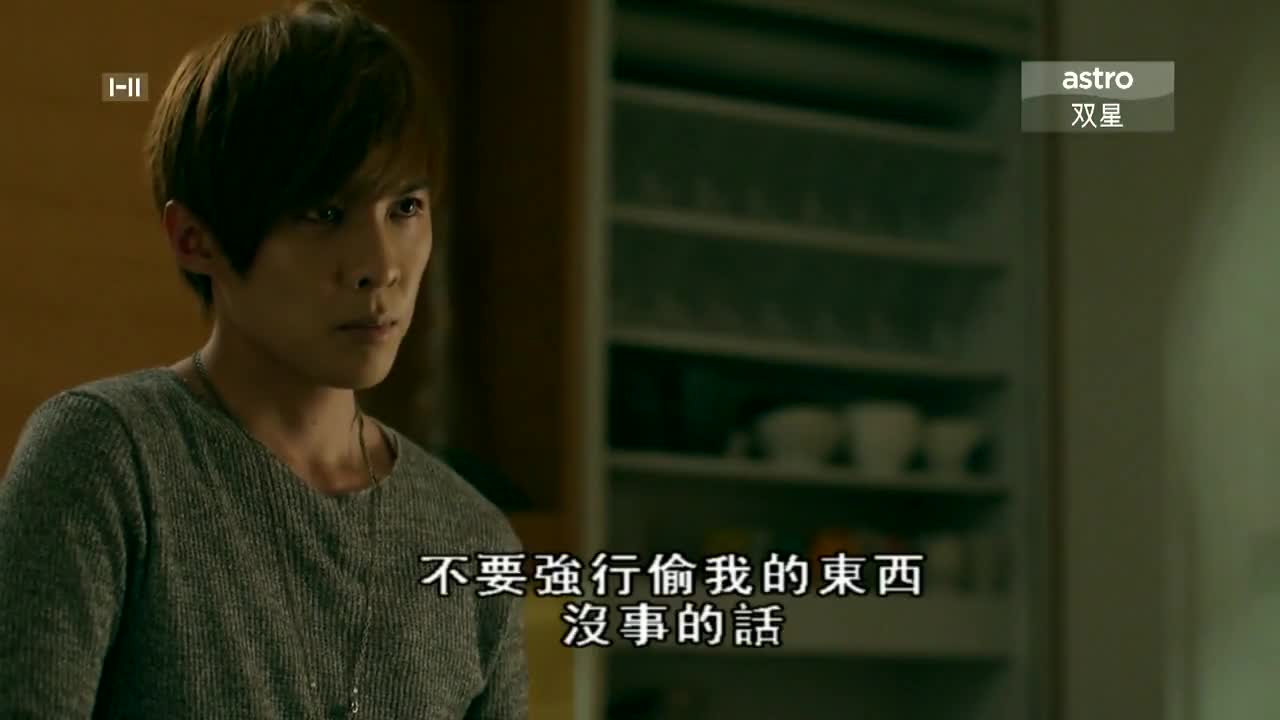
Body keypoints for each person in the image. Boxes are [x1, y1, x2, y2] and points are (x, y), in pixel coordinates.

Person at [0, 1, 528, 717]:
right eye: (324, 213)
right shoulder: (108, 460)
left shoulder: (470, 538)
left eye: (405, 208)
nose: (380, 266)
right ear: (195, 239)